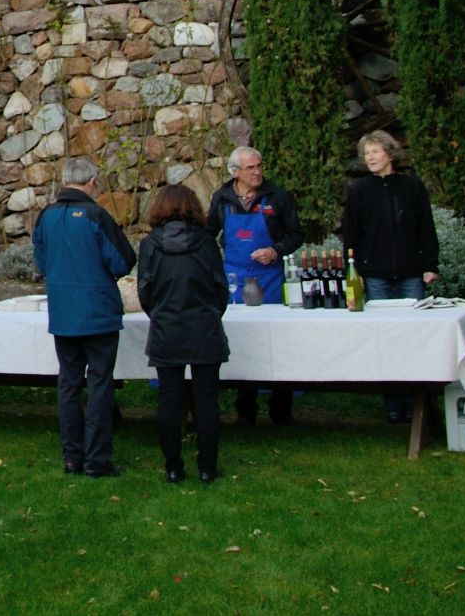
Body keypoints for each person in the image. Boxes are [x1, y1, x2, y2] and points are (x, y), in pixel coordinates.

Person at [32, 156, 136, 477]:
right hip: (98, 312)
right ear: (91, 183)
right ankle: (96, 459)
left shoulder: (44, 217)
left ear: (65, 181)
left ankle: (72, 456)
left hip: (64, 313)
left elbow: (41, 263)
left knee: (68, 384)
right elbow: (122, 261)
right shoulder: (95, 215)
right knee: (99, 385)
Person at [341, 130, 440, 422]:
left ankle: (417, 402)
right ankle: (393, 405)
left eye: (375, 151)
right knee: (384, 340)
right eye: (366, 153)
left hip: (411, 274)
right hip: (376, 276)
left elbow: (426, 228)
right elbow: (351, 235)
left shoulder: (412, 187)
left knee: (413, 339)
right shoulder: (359, 191)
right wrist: (354, 271)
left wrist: (430, 265)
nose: (370, 157)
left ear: (390, 153)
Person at [205, 145, 304, 424]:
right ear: (235, 171)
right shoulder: (222, 198)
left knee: (276, 339)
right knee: (242, 338)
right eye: (251, 168)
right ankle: (245, 406)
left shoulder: (278, 196)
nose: (258, 172)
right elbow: (208, 234)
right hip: (235, 277)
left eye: (259, 166)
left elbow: (296, 233)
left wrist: (276, 250)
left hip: (270, 276)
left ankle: (281, 407)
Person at [139, 185, 230, 483]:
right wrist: (209, 312)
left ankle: (174, 467)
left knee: (170, 400)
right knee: (206, 401)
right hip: (202, 325)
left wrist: (162, 313)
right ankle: (206, 466)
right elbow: (220, 288)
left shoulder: (152, 245)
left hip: (169, 327)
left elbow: (145, 291)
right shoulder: (206, 243)